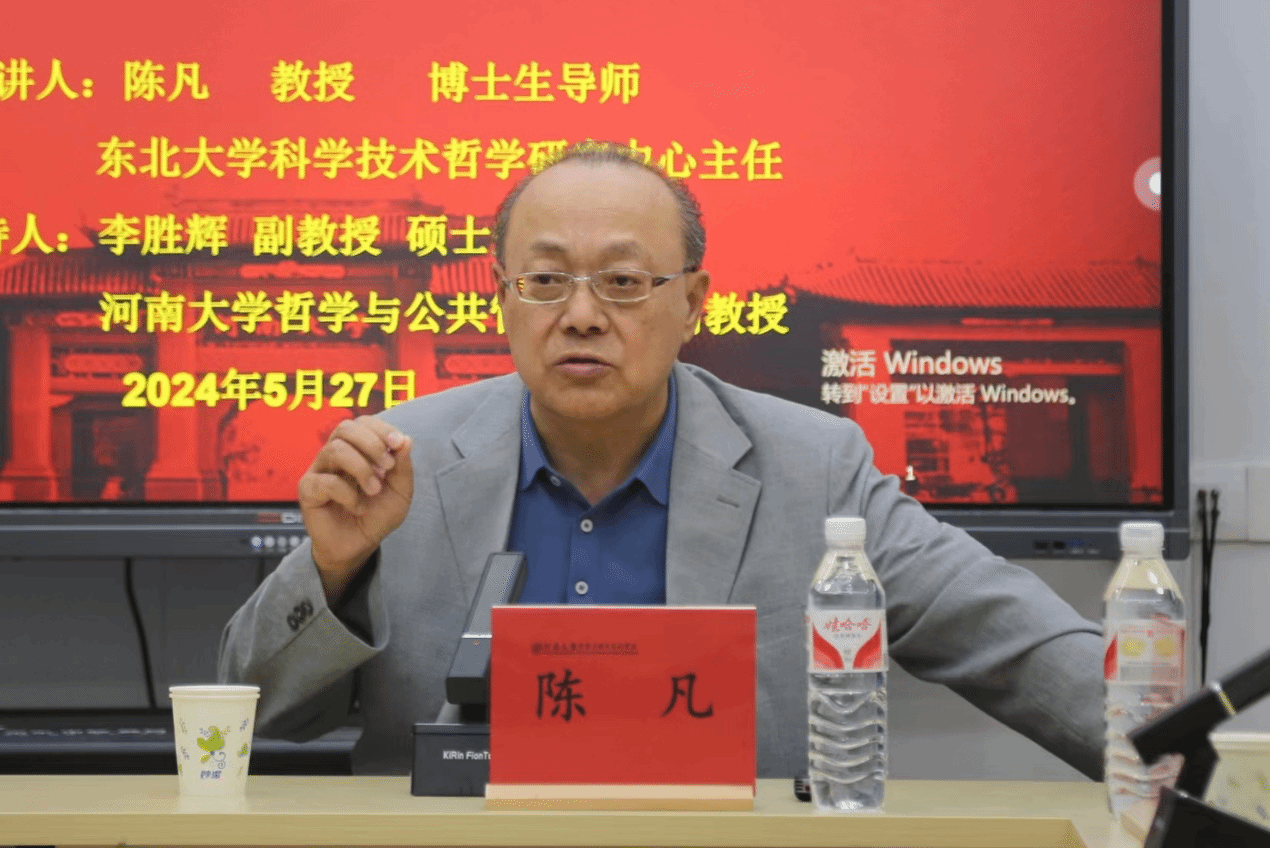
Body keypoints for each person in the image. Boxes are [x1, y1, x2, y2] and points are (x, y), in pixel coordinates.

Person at [218, 141, 1105, 780]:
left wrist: (1168, 746)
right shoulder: (397, 461)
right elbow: (245, 718)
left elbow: (1014, 641)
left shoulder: (812, 467)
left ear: (694, 304)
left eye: (625, 281)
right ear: (502, 298)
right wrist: (332, 572)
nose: (581, 315)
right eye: (545, 281)